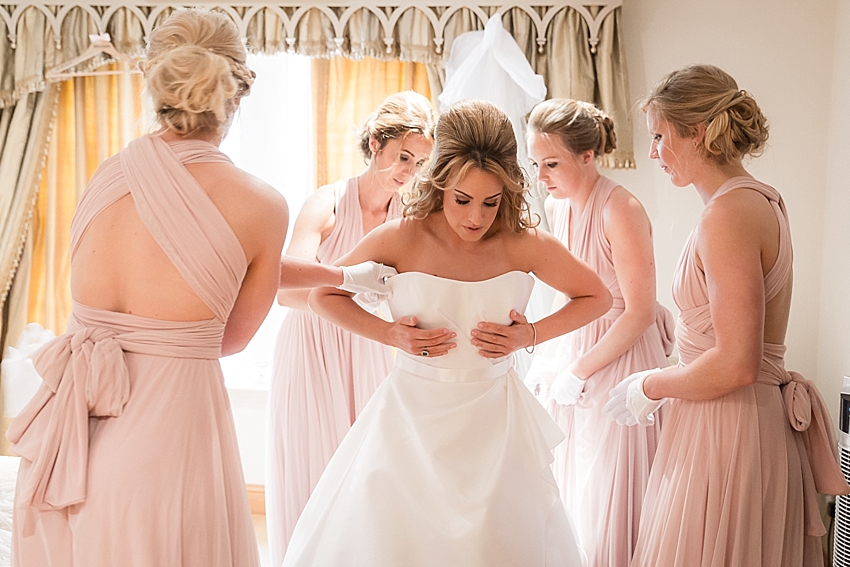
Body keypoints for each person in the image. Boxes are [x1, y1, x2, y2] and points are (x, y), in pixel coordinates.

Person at [5, 9, 393, 567]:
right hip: (165, 439)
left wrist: (342, 275)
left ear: (157, 80)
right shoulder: (259, 204)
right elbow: (228, 334)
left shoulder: (105, 174)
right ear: (238, 90)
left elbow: (193, 263)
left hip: (70, 439)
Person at [281, 99, 612, 566]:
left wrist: (530, 334)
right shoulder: (402, 236)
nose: (476, 217)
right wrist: (389, 334)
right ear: (439, 183)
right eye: (462, 200)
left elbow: (596, 296)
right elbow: (323, 295)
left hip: (494, 422)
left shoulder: (524, 242)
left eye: (490, 202)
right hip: (411, 421)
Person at [602, 64, 849, 566]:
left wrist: (650, 384)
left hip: (729, 423)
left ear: (696, 132)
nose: (653, 153)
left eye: (658, 136)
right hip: (729, 418)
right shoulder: (755, 201)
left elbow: (737, 362)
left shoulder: (729, 214)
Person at [266, 90, 435, 563]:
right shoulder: (326, 204)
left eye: (420, 163)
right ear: (376, 143)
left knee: (369, 472)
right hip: (312, 348)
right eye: (403, 156)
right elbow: (284, 291)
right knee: (314, 466)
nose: (409, 171)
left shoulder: (412, 216)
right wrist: (345, 287)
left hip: (371, 347)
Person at [524, 98, 674, 567]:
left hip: (620, 355)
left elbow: (640, 311)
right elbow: (567, 292)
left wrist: (579, 369)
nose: (542, 176)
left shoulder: (621, 208)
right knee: (573, 488)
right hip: (576, 348)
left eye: (552, 163)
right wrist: (548, 359)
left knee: (611, 487)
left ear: (587, 155)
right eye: (535, 164)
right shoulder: (558, 205)